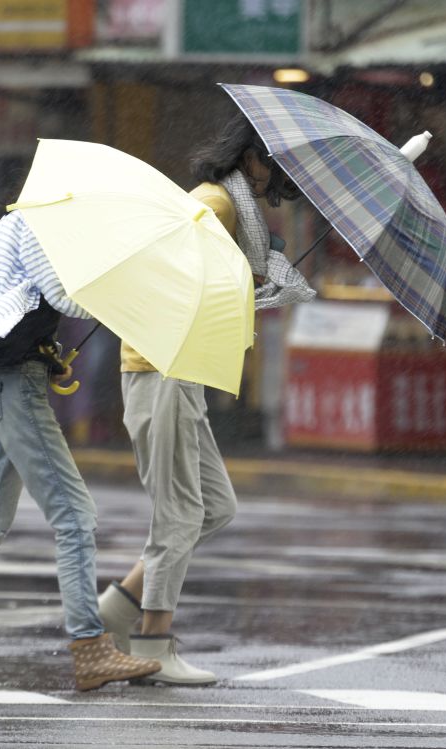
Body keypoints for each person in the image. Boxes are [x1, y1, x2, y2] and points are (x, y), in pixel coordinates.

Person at [97, 113, 314, 685]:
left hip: (179, 370)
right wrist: (257, 279)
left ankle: (115, 612)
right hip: (163, 366)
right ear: (250, 159)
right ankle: (153, 643)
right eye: (272, 166)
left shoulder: (225, 207)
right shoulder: (215, 205)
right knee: (180, 514)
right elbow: (183, 283)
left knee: (215, 507)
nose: (274, 181)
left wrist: (257, 273)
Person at [0, 209, 161, 691]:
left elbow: (25, 310)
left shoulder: (25, 224)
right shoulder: (35, 224)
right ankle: (90, 649)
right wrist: (121, 292)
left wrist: (44, 355)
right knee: (75, 514)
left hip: (10, 382)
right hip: (12, 388)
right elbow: (63, 295)